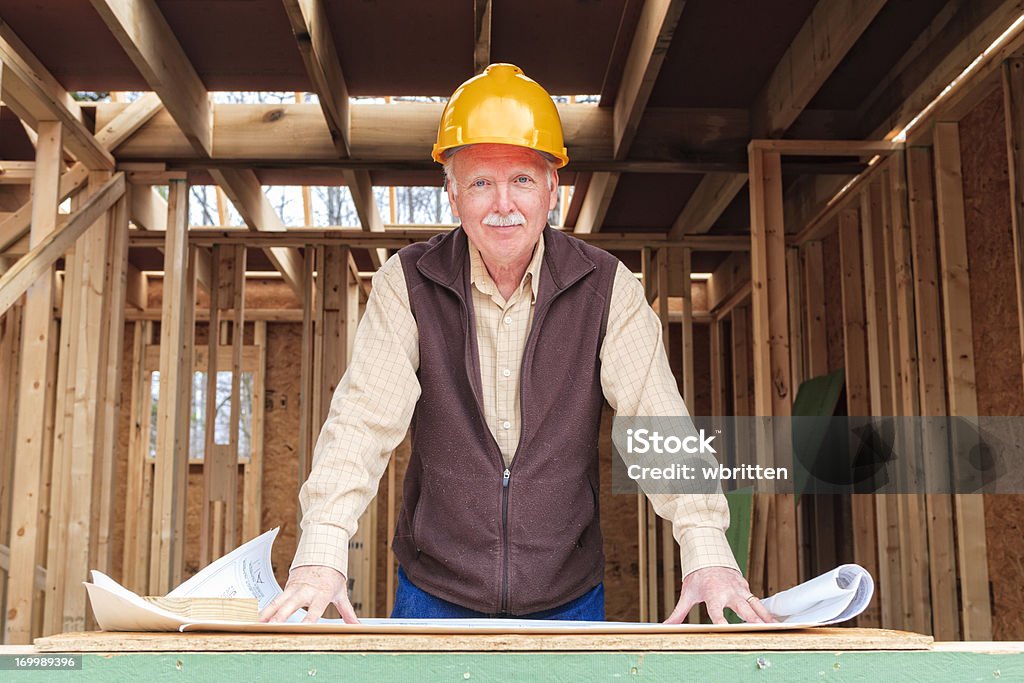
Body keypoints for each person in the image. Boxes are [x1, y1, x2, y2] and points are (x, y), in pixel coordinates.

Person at [261, 63, 774, 625]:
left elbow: (657, 422)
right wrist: (321, 551)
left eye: (523, 180)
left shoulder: (607, 288)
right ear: (452, 194)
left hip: (567, 596)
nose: (503, 203)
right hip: (434, 592)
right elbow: (362, 421)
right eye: (481, 182)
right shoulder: (407, 282)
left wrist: (707, 552)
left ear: (552, 189)